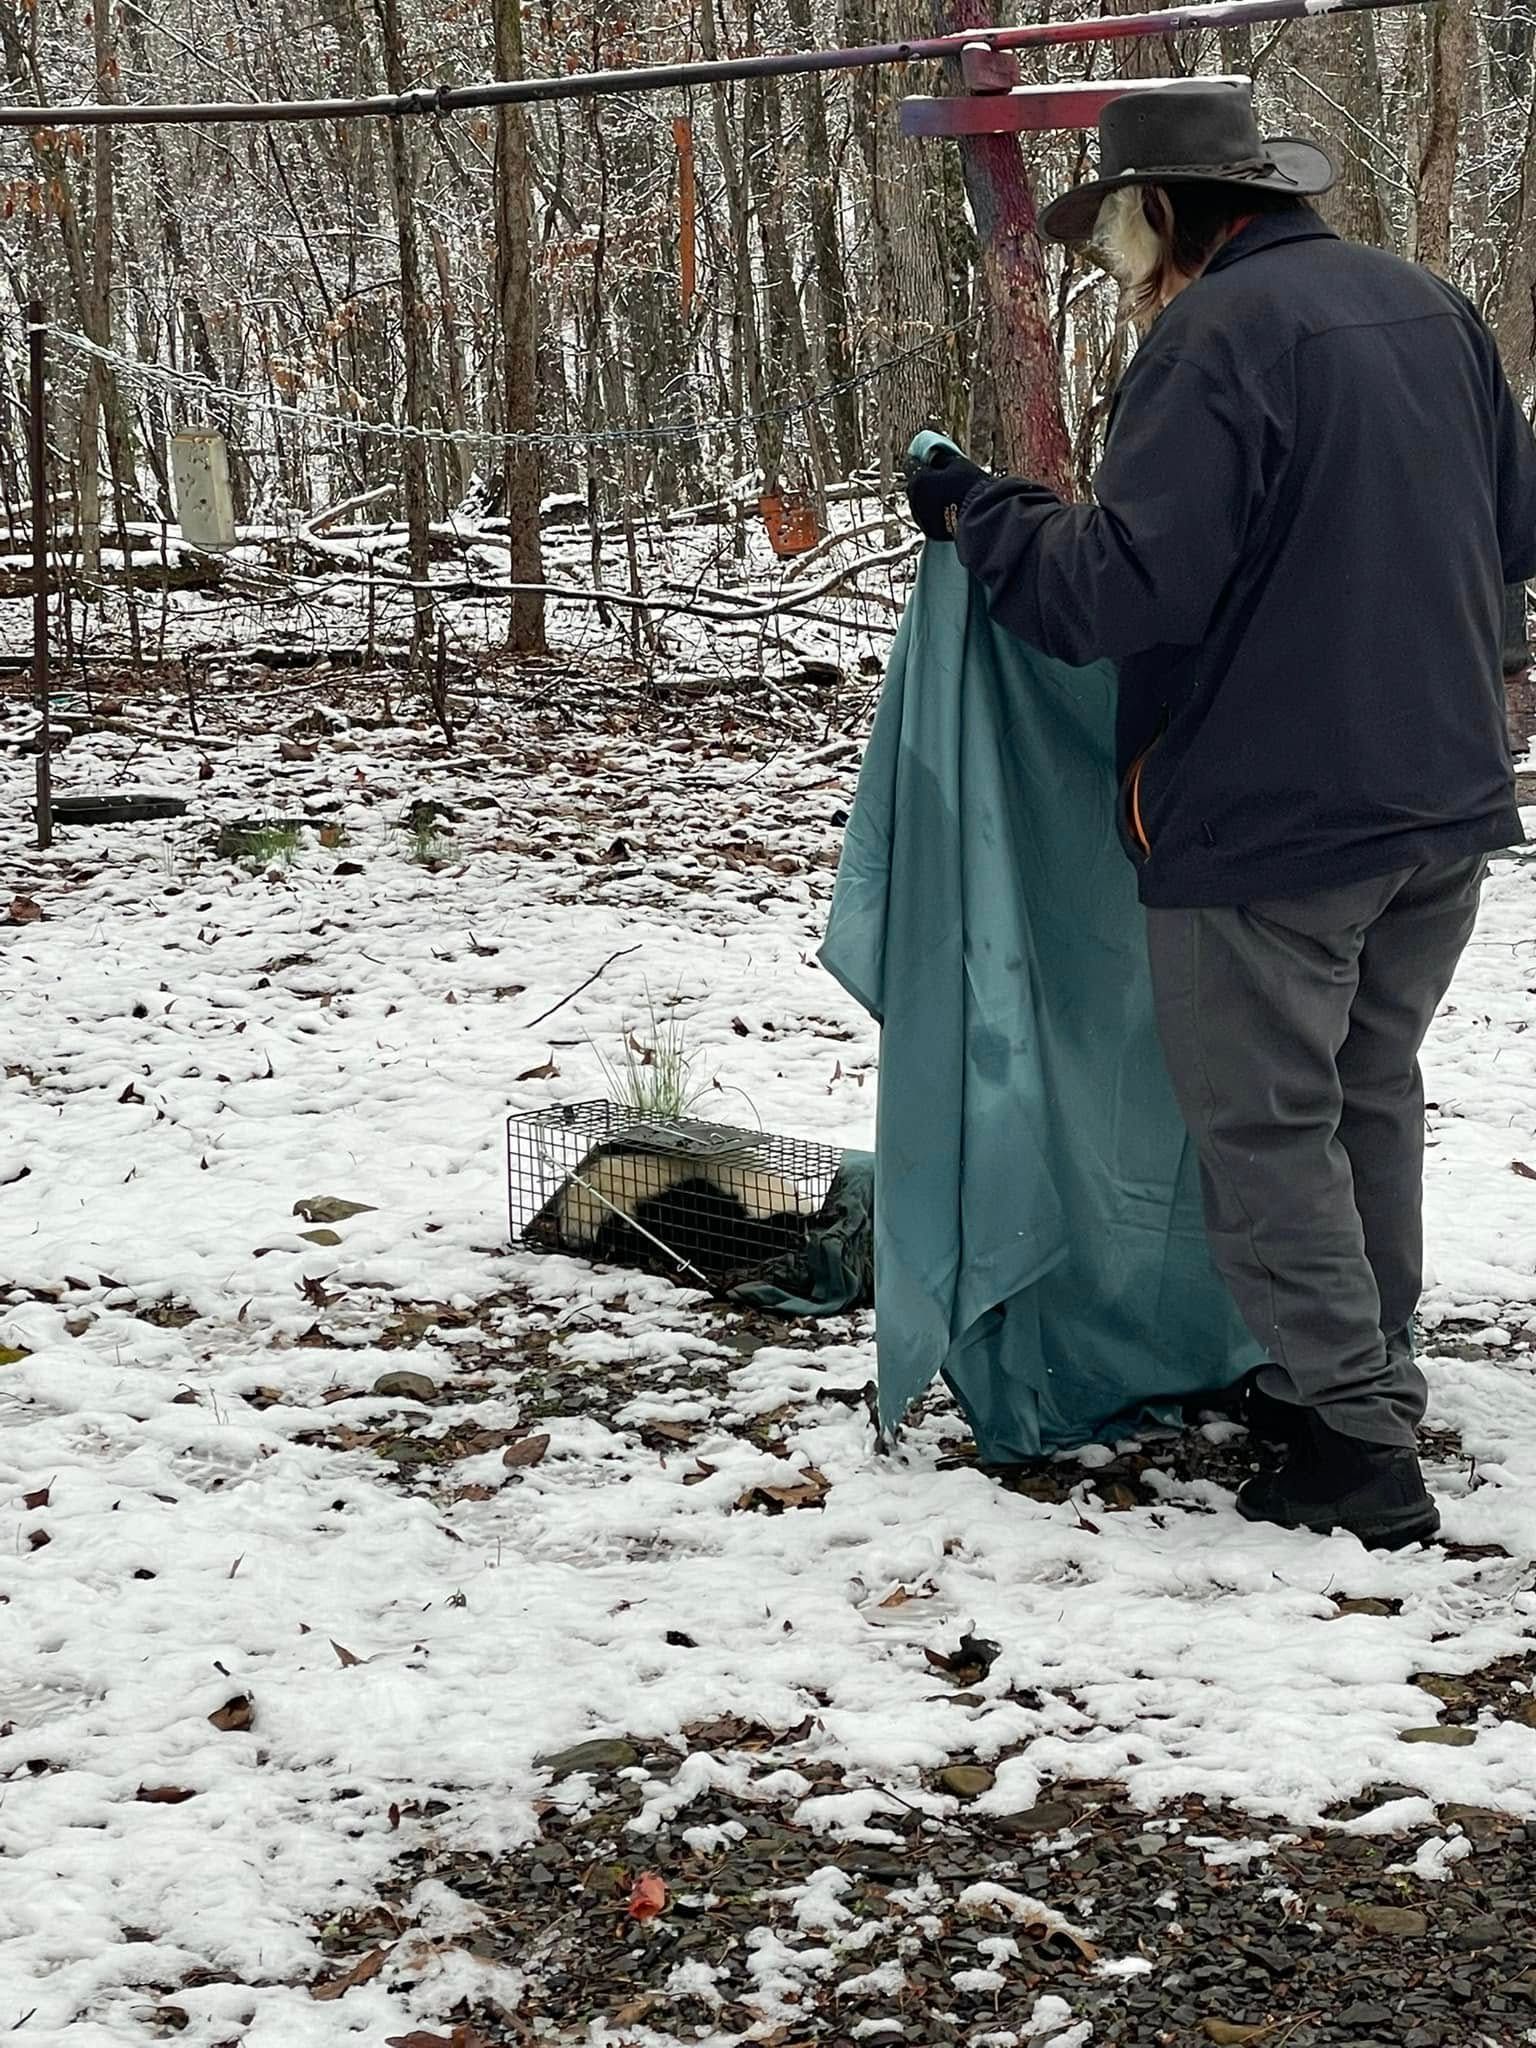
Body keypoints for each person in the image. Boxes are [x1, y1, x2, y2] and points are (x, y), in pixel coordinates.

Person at [906, 79, 1536, 1550]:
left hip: (1276, 816)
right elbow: (1517, 526)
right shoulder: (1427, 304)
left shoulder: (1214, 335)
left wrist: (982, 511)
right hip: (1444, 797)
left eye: (1117, 236)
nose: (1118, 270)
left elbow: (1120, 592)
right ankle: (1352, 1376)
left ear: (1163, 213)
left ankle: (1356, 1450)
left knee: (1269, 1128)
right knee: (1366, 1094)